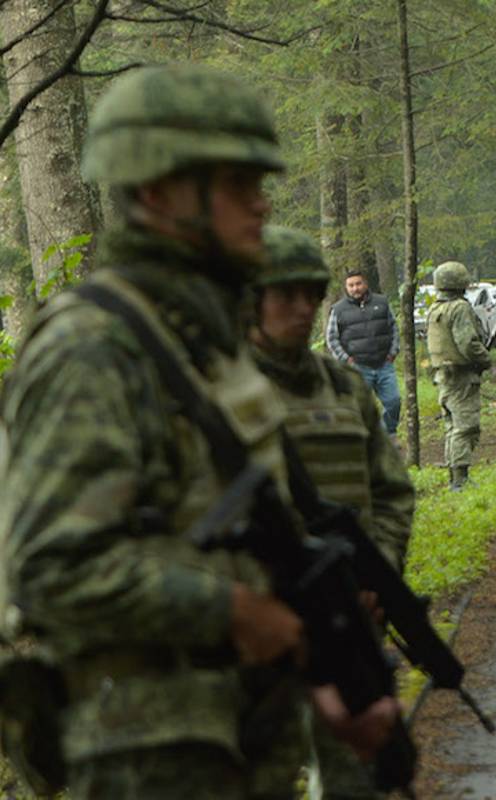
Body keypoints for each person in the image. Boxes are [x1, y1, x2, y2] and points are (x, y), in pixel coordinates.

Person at [0, 64, 396, 800]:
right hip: (146, 756)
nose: (261, 203)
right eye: (235, 183)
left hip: (238, 740)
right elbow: (50, 567)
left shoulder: (199, 345)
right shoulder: (95, 346)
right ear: (156, 191)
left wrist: (320, 676)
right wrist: (234, 614)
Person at [249, 226, 415, 799]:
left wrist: (379, 572)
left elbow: (391, 492)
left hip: (350, 615)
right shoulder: (217, 392)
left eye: (310, 295)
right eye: (283, 294)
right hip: (255, 631)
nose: (300, 308)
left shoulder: (345, 391)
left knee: (354, 776)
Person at [426, 261, 491, 490]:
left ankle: (455, 478)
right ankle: (459, 481)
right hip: (461, 376)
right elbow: (468, 343)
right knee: (465, 427)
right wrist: (485, 359)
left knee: (452, 428)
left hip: (444, 376)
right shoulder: (459, 308)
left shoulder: (436, 309)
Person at [325, 272, 401, 438]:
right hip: (357, 367)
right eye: (351, 285)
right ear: (346, 288)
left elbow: (393, 328)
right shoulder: (338, 309)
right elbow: (331, 338)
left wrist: (393, 352)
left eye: (358, 284)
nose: (355, 288)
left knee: (394, 402)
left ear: (365, 284)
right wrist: (346, 360)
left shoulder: (382, 302)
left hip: (384, 364)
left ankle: (388, 433)